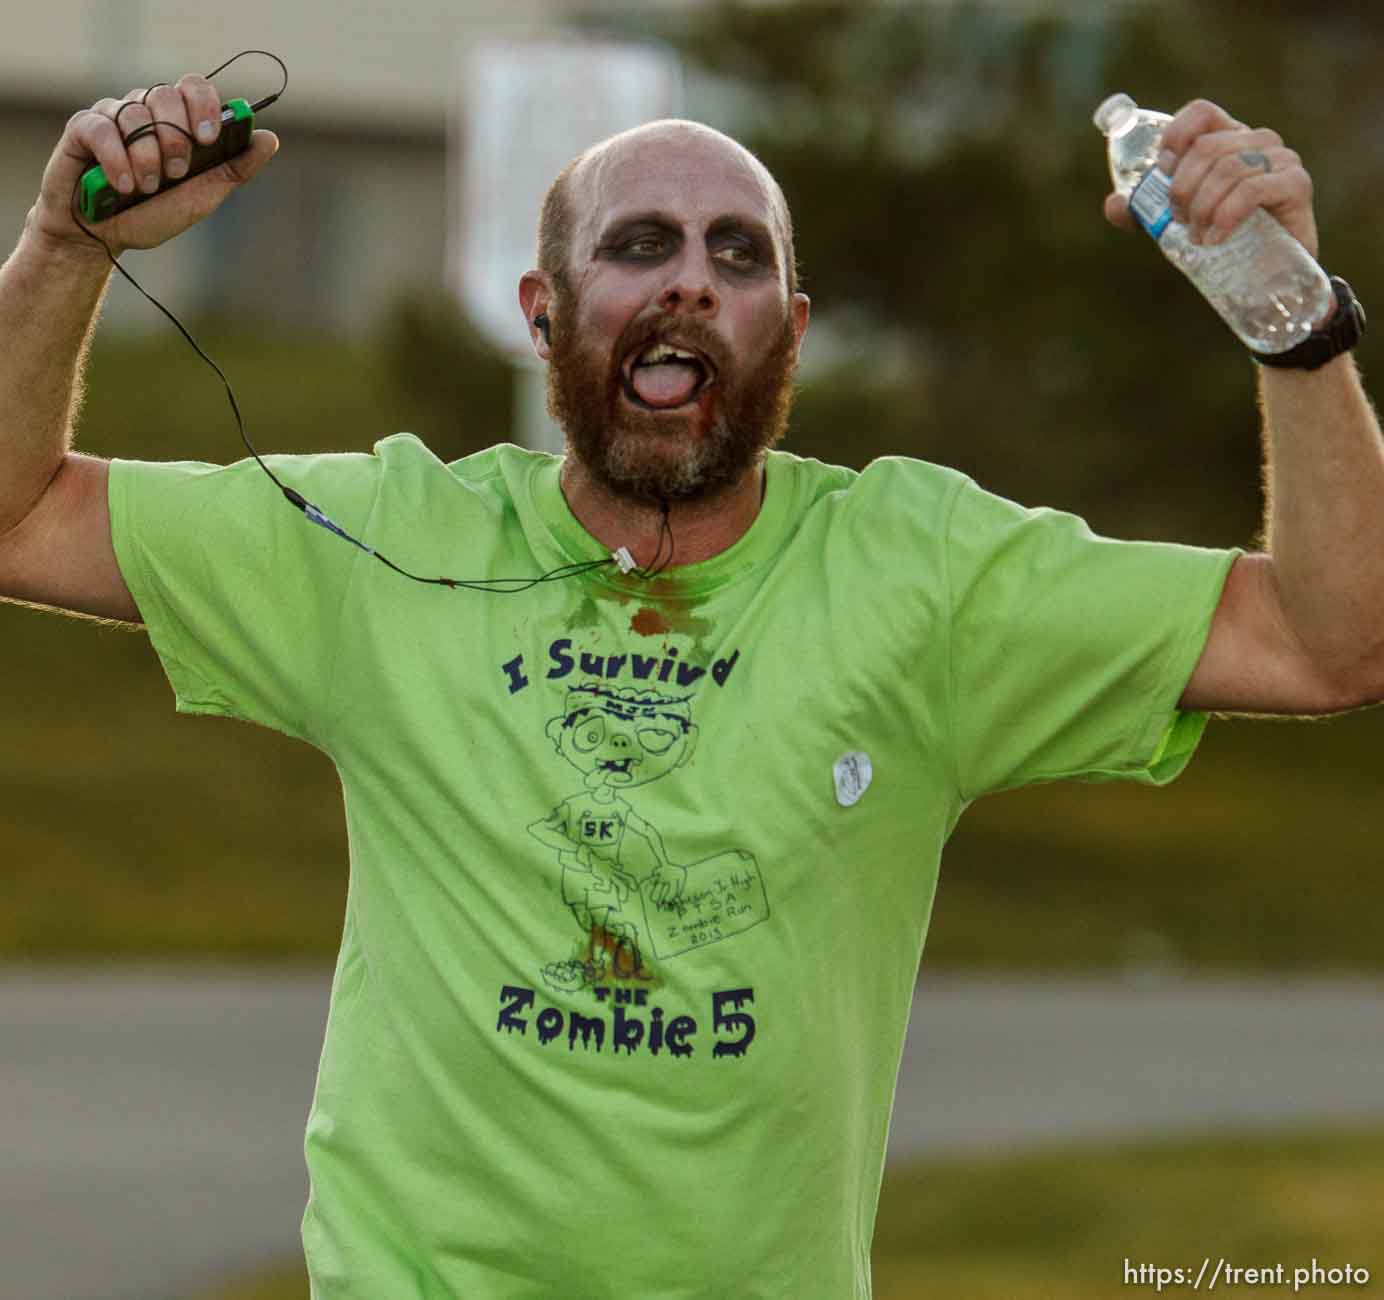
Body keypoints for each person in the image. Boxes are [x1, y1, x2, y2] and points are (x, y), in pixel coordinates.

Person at [1, 74, 1380, 1300]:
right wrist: (65, 253)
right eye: (638, 244)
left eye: (739, 253)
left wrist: (1293, 324)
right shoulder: (388, 542)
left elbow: (1331, 644)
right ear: (543, 312)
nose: (691, 282)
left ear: (791, 323)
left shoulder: (923, 578)